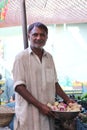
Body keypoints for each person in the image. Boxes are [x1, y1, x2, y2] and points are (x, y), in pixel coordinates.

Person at [12, 22, 75, 130]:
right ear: (28, 36)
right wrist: (40, 106)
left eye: (42, 35)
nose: (39, 37)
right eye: (35, 34)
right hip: (28, 115)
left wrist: (68, 100)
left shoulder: (49, 58)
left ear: (46, 37)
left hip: (47, 113)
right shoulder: (21, 58)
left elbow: (54, 83)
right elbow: (19, 87)